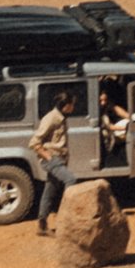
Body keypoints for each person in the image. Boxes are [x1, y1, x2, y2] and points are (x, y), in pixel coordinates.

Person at [31, 87, 76, 231]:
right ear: (66, 105)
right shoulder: (51, 118)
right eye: (72, 104)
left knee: (49, 190)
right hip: (52, 159)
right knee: (70, 180)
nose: (74, 107)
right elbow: (34, 142)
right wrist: (49, 157)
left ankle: (42, 225)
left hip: (59, 159)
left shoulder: (62, 118)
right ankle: (66, 217)